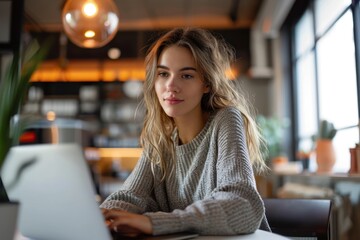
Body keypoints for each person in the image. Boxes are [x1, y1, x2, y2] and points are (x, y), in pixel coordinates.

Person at [100, 27, 270, 237]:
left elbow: (242, 205)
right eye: (163, 74)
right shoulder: (160, 138)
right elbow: (130, 196)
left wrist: (155, 222)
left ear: (206, 83)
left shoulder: (226, 119)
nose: (171, 85)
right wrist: (100, 216)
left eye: (187, 75)